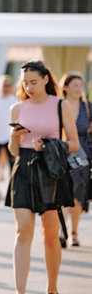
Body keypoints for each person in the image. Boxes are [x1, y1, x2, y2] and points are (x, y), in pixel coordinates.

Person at [3, 60, 78, 294]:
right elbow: (14, 152)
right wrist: (15, 137)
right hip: (23, 169)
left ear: (46, 79)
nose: (29, 86)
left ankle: (52, 291)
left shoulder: (60, 105)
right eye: (25, 82)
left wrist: (46, 144)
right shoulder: (17, 108)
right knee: (23, 230)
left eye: (33, 81)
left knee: (49, 234)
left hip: (50, 171)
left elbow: (74, 144)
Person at [59, 72, 91, 248]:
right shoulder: (58, 107)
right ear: (66, 88)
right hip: (62, 154)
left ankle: (73, 232)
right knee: (65, 194)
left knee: (77, 196)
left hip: (84, 155)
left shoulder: (88, 108)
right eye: (75, 85)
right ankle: (63, 230)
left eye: (81, 85)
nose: (79, 89)